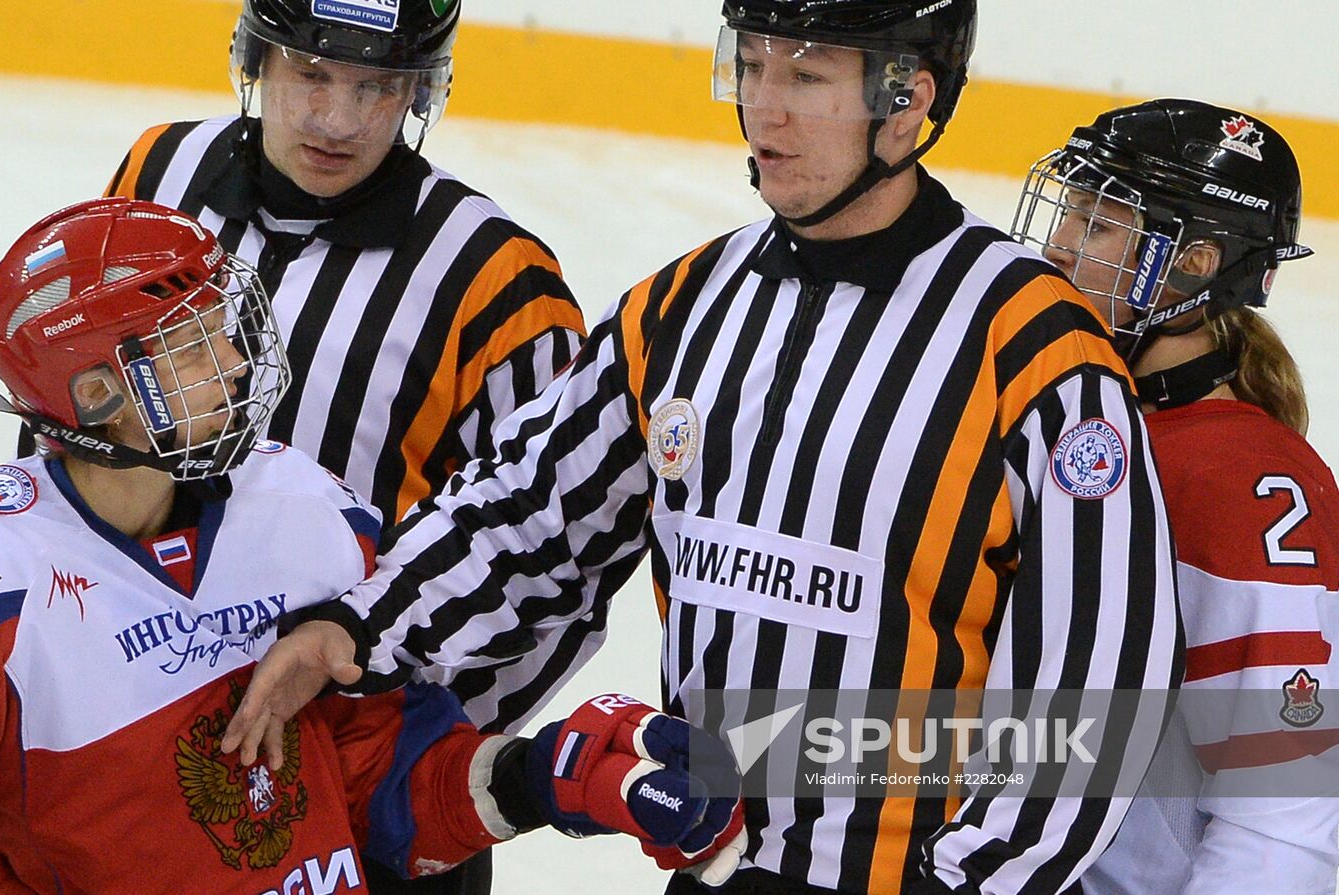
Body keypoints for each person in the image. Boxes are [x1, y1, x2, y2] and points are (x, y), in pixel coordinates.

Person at [227, 2, 1182, 892]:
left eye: (805, 78)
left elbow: (1101, 686)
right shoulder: (681, 308)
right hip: (713, 865)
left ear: (909, 99)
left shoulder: (1038, 351)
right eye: (752, 67)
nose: (762, 112)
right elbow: (528, 515)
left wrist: (971, 877)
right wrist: (354, 627)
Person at [0, 197, 745, 895]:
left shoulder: (301, 508)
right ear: (96, 394)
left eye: (224, 328)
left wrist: (538, 780)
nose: (232, 361)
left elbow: (376, 779)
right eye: (191, 347)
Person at [1010, 100, 1334, 893]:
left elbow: (1289, 800)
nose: (1057, 249)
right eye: (1070, 215)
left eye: (1098, 227)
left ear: (1195, 261)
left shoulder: (1244, 477)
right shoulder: (1064, 423)